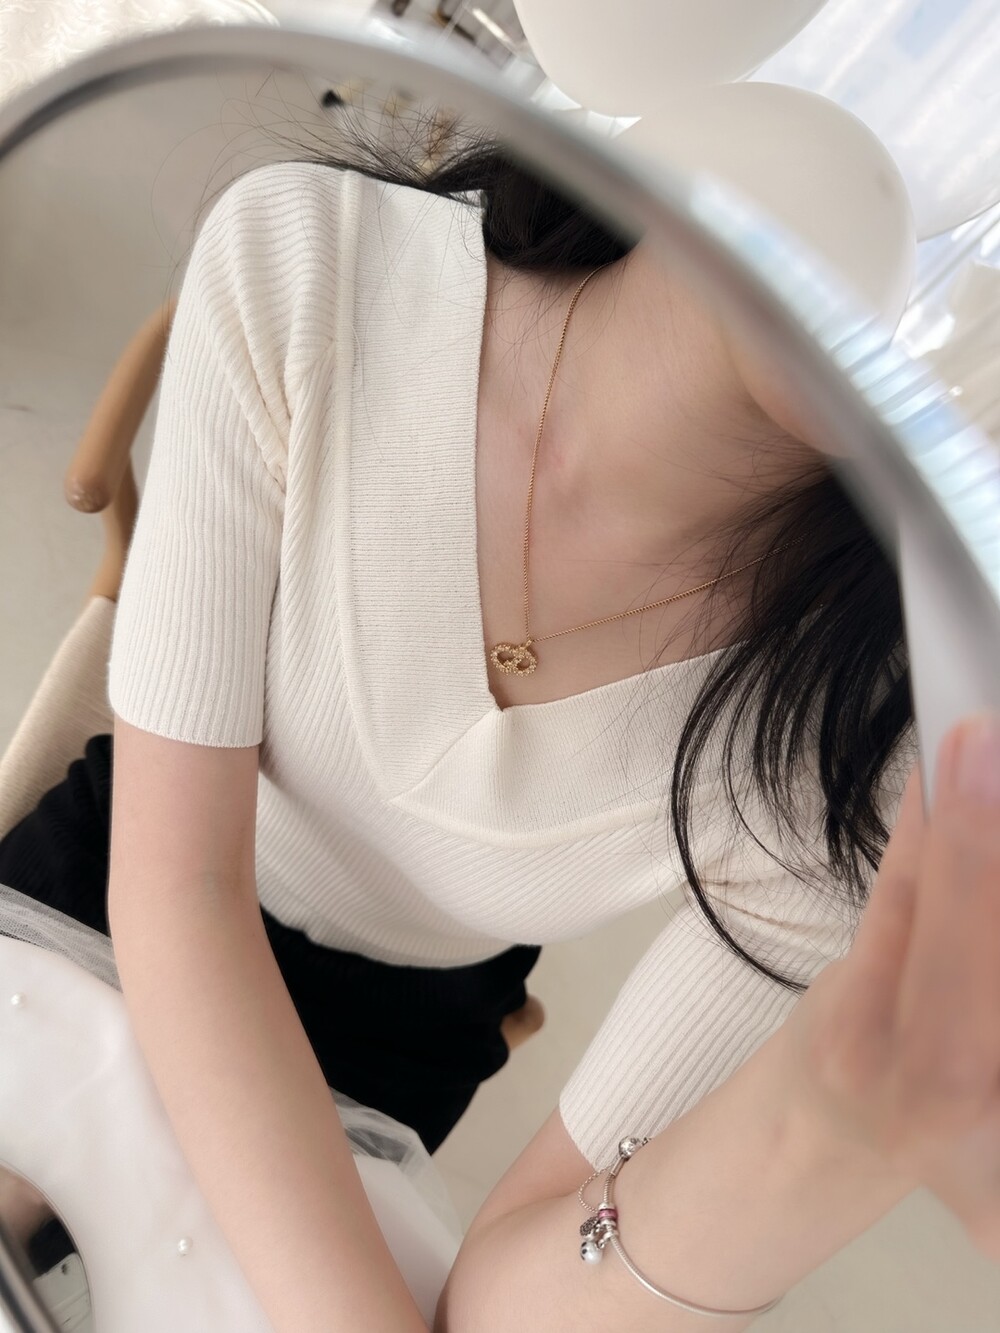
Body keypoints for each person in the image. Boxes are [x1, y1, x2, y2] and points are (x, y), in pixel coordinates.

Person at [2, 140, 994, 1329]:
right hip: (123, 871)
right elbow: (178, 887)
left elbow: (506, 1303)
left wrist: (821, 1128)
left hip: (392, 1036)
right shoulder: (314, 264)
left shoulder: (863, 760)